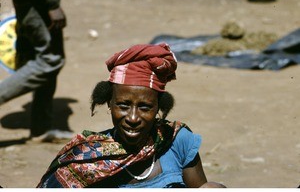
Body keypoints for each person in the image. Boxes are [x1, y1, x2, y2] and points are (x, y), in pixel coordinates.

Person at [37, 43, 226, 188]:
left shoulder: (176, 141)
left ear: (159, 107)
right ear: (109, 103)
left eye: (145, 107)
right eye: (123, 105)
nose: (133, 118)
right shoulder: (86, 159)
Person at [0, 0, 73, 141]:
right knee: (50, 59)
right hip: (37, 0)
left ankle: (41, 128)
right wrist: (52, 3)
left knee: (40, 55)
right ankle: (41, 127)